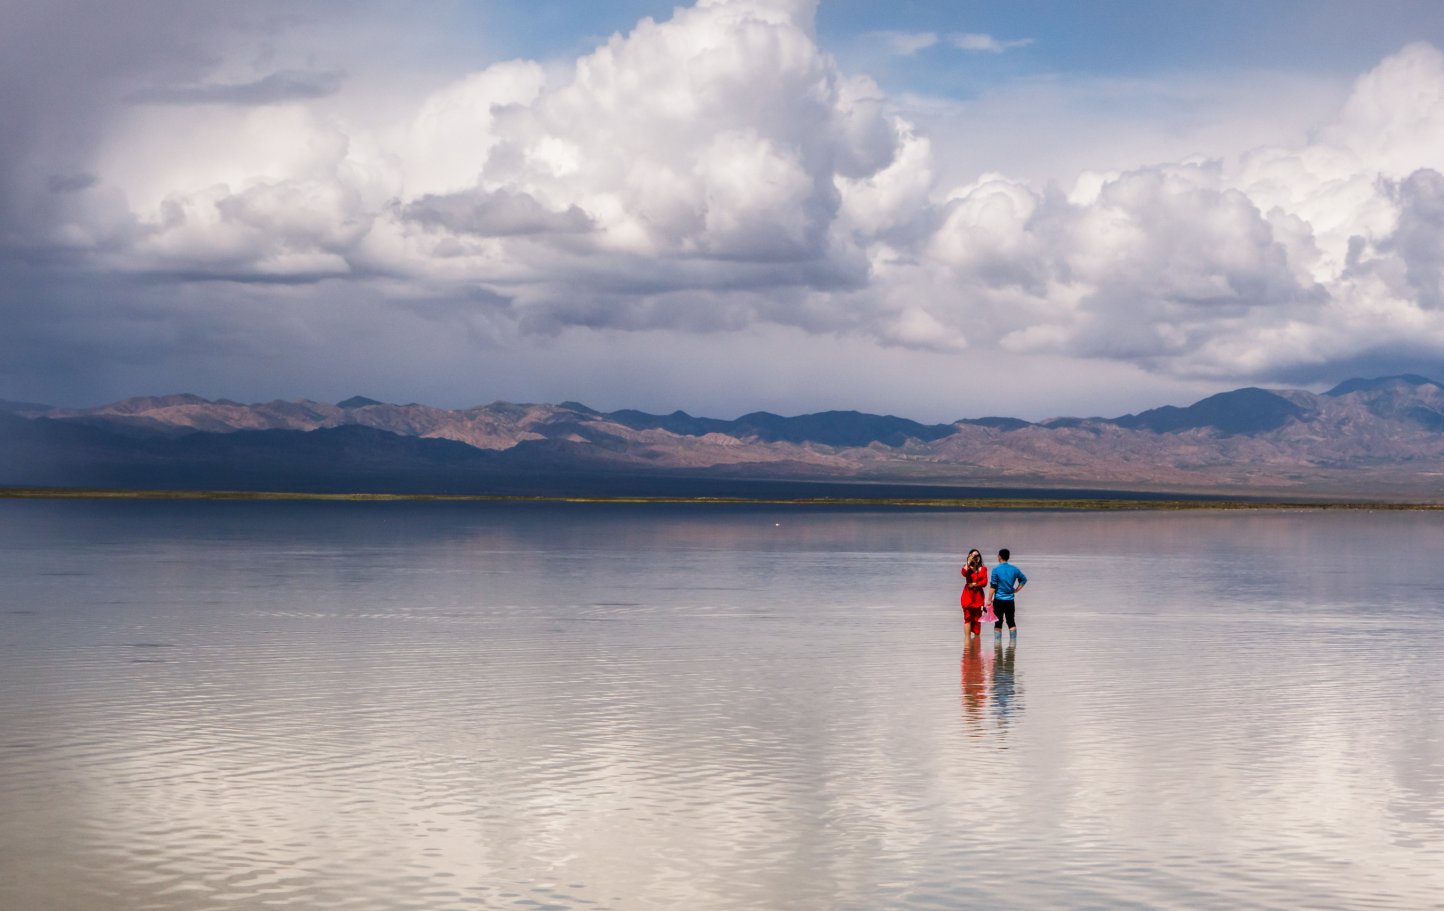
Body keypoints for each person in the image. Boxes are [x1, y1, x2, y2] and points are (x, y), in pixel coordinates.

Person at [988, 548, 1027, 639]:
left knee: (998, 623)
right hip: (1010, 600)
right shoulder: (1014, 569)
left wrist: (989, 599)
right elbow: (1024, 580)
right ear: (1009, 557)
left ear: (999, 557)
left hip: (998, 600)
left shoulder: (996, 570)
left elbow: (993, 585)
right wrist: (1017, 590)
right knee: (1011, 622)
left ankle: (997, 648)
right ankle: (1013, 645)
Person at [960, 549, 988, 639]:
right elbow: (963, 573)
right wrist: (969, 562)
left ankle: (977, 643)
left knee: (977, 619)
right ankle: (967, 642)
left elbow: (984, 583)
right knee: (967, 618)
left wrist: (975, 584)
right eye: (973, 556)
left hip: (978, 596)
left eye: (977, 556)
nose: (976, 558)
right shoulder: (967, 568)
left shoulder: (983, 569)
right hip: (968, 595)